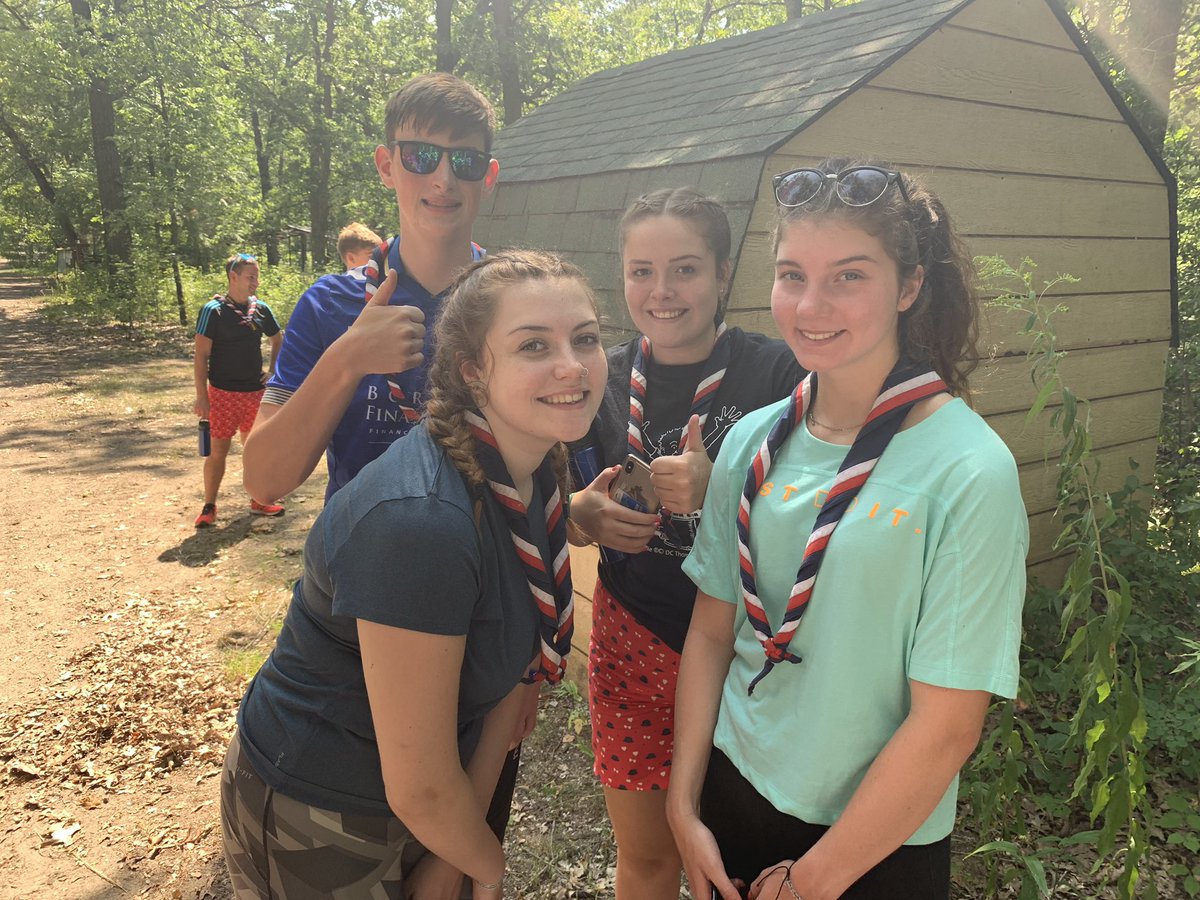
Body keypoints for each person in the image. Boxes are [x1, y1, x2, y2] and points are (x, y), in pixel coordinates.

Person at [666, 160, 1028, 900]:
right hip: (732, 792)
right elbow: (711, 632)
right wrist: (681, 802)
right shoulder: (755, 442)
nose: (810, 304)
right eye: (792, 274)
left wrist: (812, 882)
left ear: (909, 287)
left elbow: (948, 727)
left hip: (871, 844)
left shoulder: (967, 470)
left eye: (849, 277)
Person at [220, 250, 607, 899]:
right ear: (471, 371)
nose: (571, 364)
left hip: (429, 800)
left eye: (586, 338)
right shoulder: (422, 524)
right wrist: (488, 863)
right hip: (324, 813)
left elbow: (508, 687)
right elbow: (420, 786)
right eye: (534, 344)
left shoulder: (535, 472)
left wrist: (457, 858)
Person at [567, 188, 803, 899]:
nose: (661, 291)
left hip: (742, 648)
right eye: (641, 270)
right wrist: (584, 515)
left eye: (686, 269)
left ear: (725, 274)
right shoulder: (596, 378)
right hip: (631, 636)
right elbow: (557, 503)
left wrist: (723, 486)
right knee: (644, 858)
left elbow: (822, 514)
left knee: (728, 863)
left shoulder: (781, 374)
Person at [244, 72, 498, 505]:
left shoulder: (512, 301)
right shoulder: (328, 305)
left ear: (488, 176)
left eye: (465, 161)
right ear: (386, 165)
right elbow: (264, 481)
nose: (443, 179)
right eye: (421, 156)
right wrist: (347, 359)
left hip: (490, 563)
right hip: (361, 560)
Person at [192, 253, 284, 527]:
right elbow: (201, 356)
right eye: (250, 276)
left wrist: (273, 371)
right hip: (222, 394)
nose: (255, 282)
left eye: (257, 276)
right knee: (218, 451)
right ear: (233, 277)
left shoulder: (261, 309)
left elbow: (278, 339)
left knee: (254, 449)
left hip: (254, 393)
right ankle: (209, 506)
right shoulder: (213, 311)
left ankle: (259, 500)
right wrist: (202, 396)